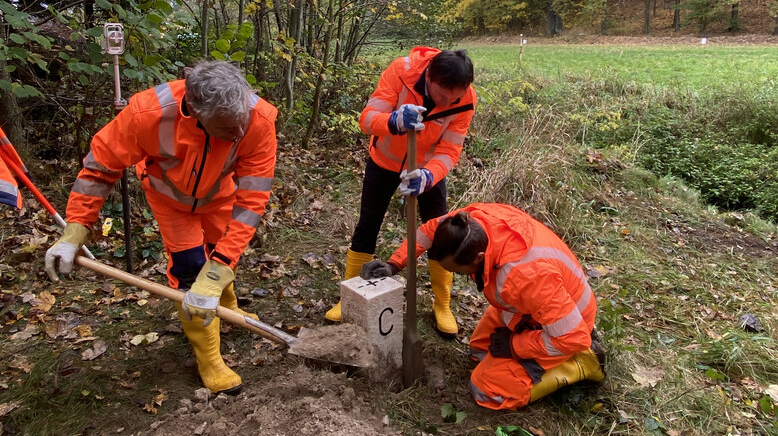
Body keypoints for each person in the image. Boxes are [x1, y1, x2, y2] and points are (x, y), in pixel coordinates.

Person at [44, 61, 277, 395]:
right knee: (190, 269)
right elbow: (99, 169)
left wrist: (218, 271)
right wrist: (75, 230)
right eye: (228, 126)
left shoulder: (258, 118)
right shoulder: (146, 114)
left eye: (241, 120)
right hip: (170, 201)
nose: (239, 132)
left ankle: (227, 307)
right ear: (196, 111)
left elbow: (252, 201)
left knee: (221, 258)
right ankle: (210, 358)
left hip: (221, 197)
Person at [362, 203, 605, 410]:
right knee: (480, 350)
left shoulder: (524, 276)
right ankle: (523, 353)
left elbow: (572, 337)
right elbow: (428, 232)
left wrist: (514, 346)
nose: (454, 275)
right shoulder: (469, 223)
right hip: (529, 308)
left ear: (478, 259)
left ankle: (580, 365)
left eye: (456, 271)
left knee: (486, 390)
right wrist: (395, 264)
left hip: (567, 329)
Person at [325, 47, 476, 338]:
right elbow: (367, 118)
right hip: (384, 161)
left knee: (440, 231)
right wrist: (393, 121)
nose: (448, 103)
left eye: (454, 98)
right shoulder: (400, 72)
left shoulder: (466, 100)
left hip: (426, 170)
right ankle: (351, 295)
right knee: (368, 224)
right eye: (443, 96)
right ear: (430, 77)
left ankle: (442, 304)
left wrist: (430, 175)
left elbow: (451, 148)